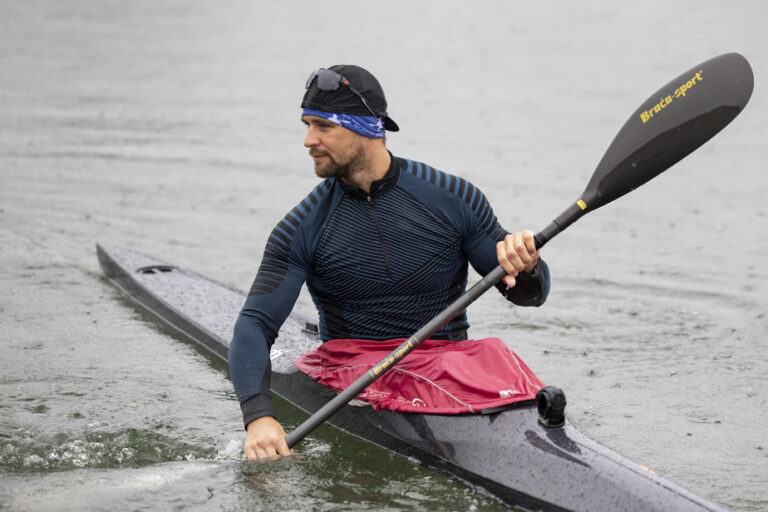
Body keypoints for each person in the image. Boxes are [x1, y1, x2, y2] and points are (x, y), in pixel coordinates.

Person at [228, 65, 551, 460]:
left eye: (322, 126)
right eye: (306, 124)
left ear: (366, 128)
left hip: (451, 363)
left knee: (496, 351)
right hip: (356, 369)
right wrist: (259, 417)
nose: (308, 139)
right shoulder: (303, 227)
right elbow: (254, 325)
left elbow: (528, 297)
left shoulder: (452, 198)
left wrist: (528, 266)